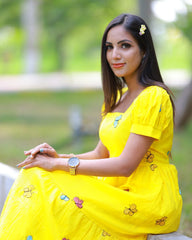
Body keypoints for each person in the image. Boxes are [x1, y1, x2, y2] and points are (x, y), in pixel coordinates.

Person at [0, 13, 182, 240]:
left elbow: (125, 165)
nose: (114, 55)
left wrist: (58, 164)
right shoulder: (119, 98)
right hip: (115, 191)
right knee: (36, 172)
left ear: (144, 51)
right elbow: (100, 153)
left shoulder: (154, 96)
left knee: (44, 178)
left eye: (125, 46)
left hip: (146, 200)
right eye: (109, 47)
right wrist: (59, 156)